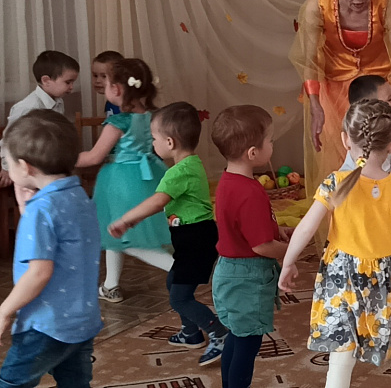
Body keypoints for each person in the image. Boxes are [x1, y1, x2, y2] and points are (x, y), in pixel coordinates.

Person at [279, 99, 391, 388]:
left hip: (344, 274)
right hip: (386, 273)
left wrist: (288, 263)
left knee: (343, 342)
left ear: (345, 140)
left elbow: (305, 228)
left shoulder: (335, 182)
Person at [289, 0, 391, 199]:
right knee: (339, 149)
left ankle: (379, 204)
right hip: (333, 84)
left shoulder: (385, 4)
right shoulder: (317, 6)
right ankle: (343, 210)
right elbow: (310, 61)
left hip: (376, 85)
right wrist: (315, 104)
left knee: (376, 147)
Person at [107, 102, 228, 366]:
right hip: (195, 239)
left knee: (180, 298)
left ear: (170, 142)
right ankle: (190, 333)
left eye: (154, 138)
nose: (153, 143)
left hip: (196, 241)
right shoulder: (192, 164)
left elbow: (157, 201)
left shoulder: (178, 172)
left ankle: (219, 333)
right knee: (173, 284)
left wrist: (126, 219)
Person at [0, 110, 102, 387]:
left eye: (7, 162)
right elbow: (64, 242)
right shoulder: (79, 196)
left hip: (45, 325)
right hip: (82, 319)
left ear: (25, 167)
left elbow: (39, 273)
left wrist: (4, 311)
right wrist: (26, 210)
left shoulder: (41, 210)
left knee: (11, 383)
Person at [77, 58, 173, 303]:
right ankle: (111, 285)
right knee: (114, 228)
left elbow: (94, 156)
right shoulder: (153, 117)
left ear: (117, 89)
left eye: (106, 81)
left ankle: (179, 270)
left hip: (121, 182)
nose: (103, 85)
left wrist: (60, 159)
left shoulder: (118, 121)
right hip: (148, 176)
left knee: (126, 236)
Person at [210, 105, 291, 388]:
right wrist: (292, 252)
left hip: (229, 271)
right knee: (248, 342)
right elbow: (261, 247)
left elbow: (244, 229)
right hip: (247, 277)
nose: (273, 145)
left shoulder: (228, 181)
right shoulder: (250, 191)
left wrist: (277, 230)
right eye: (270, 140)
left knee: (238, 335)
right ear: (253, 153)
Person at [0, 50, 79, 188]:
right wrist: (6, 167)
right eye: (68, 82)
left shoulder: (59, 102)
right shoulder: (27, 107)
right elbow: (9, 138)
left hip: (49, 162)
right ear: (46, 80)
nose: (71, 87)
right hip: (30, 166)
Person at [91, 50, 124, 117]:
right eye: (95, 75)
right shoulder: (110, 102)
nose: (98, 80)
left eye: (104, 76)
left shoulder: (125, 104)